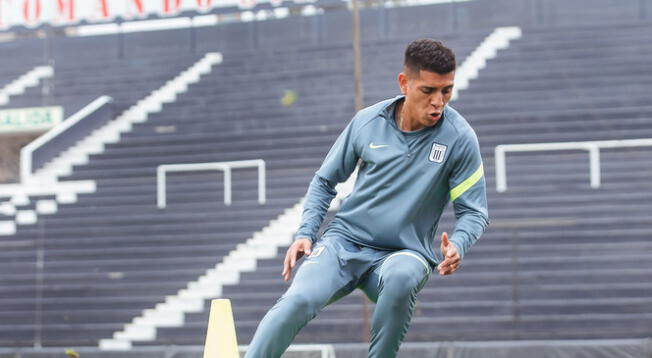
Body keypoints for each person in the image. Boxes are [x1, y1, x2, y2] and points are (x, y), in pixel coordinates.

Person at [244, 38, 489, 358]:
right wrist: (306, 233)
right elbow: (324, 181)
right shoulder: (367, 122)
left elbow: (474, 212)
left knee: (402, 277)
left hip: (405, 252)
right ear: (404, 83)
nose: (438, 102)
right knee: (298, 300)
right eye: (428, 91)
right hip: (344, 243)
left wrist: (459, 244)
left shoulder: (460, 139)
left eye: (446, 91)